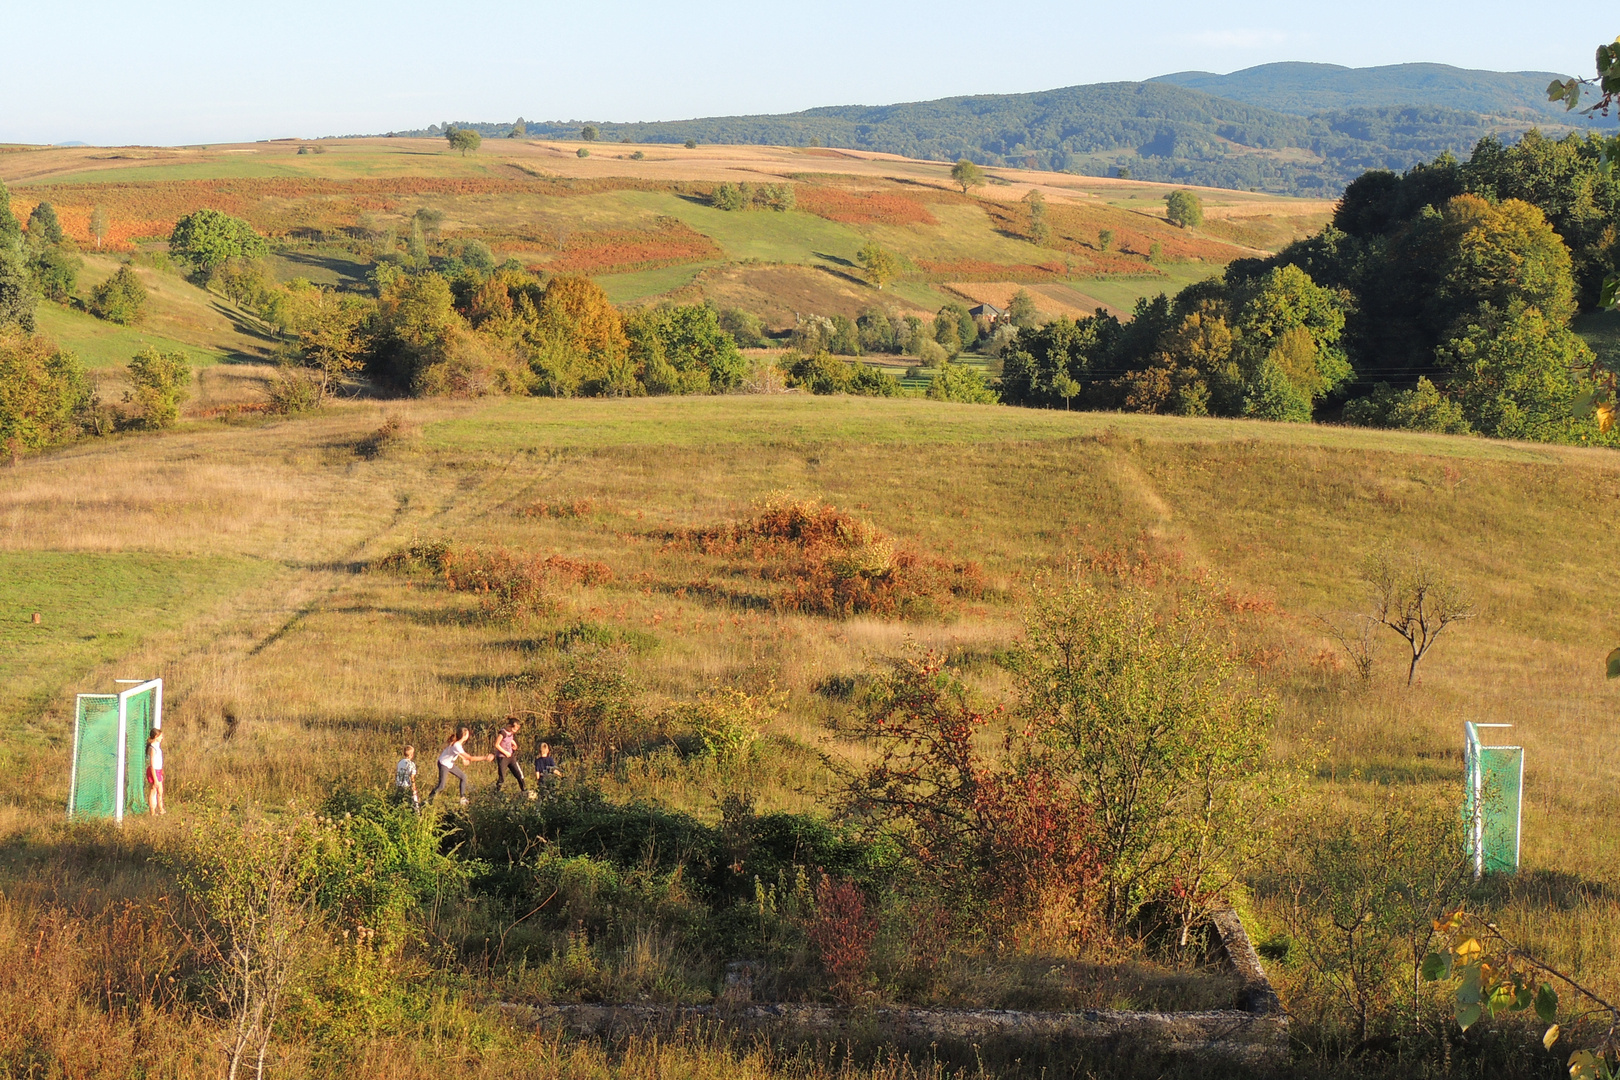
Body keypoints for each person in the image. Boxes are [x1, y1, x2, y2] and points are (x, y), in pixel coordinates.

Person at [429, 727, 491, 805]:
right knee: (441, 786)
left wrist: (463, 758)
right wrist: (485, 757)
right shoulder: (457, 745)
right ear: (464, 735)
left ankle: (463, 798)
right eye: (468, 734)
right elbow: (470, 758)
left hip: (449, 764)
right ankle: (428, 800)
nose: (469, 735)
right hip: (443, 764)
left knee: (463, 777)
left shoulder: (457, 744)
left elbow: (457, 753)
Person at [492, 718, 530, 798]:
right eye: (514, 729)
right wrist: (505, 752)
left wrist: (514, 743)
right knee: (502, 777)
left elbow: (510, 739)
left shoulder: (510, 732)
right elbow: (497, 745)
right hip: (503, 758)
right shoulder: (502, 733)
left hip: (511, 757)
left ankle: (524, 790)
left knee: (519, 774)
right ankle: (496, 793)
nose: (515, 731)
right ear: (509, 726)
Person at [145, 728, 165, 816]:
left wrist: (161, 771)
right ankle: (152, 811)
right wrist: (155, 778)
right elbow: (152, 765)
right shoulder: (152, 748)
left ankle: (161, 809)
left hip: (158, 770)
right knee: (153, 790)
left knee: (160, 791)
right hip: (154, 771)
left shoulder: (157, 746)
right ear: (156, 736)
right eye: (161, 736)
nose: (162, 738)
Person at [394, 745, 420, 813]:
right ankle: (416, 814)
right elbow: (412, 777)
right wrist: (414, 788)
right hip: (407, 786)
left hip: (399, 785)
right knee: (413, 802)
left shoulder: (400, 762)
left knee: (398, 802)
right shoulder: (411, 764)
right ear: (411, 755)